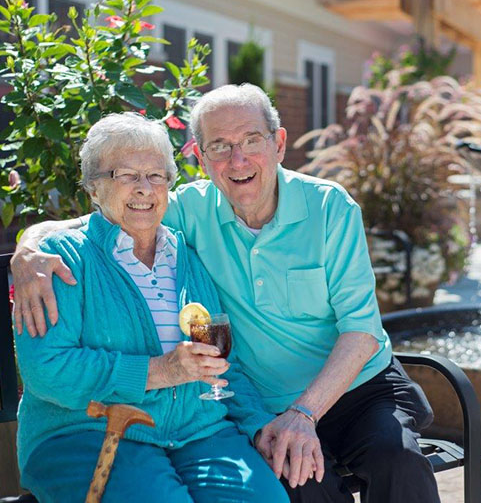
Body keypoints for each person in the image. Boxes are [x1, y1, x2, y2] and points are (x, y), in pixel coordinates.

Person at [12, 84, 441, 503]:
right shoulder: (175, 219)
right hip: (220, 413)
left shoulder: (323, 208)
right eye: (219, 145)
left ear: (279, 144)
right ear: (201, 158)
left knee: (396, 459)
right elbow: (102, 221)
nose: (238, 158)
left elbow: (359, 332)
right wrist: (28, 246)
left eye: (252, 139)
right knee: (296, 476)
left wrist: (290, 417)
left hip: (351, 390)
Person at [13, 113, 289, 503]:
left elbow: (223, 362)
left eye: (156, 176)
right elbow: (47, 370)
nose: (144, 189)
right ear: (94, 188)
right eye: (126, 175)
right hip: (89, 432)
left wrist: (260, 425)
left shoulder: (186, 256)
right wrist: (161, 371)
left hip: (197, 431)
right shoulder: (59, 261)